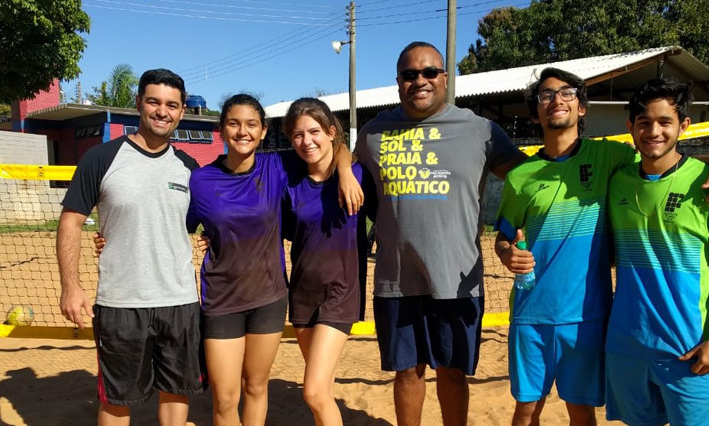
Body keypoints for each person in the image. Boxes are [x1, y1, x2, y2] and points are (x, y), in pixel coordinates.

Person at [494, 68, 709, 426]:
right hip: (534, 315)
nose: (556, 100)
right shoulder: (521, 176)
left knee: (581, 409)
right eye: (546, 95)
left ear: (581, 108)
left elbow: (665, 159)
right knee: (527, 408)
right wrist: (505, 253)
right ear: (535, 113)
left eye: (566, 93)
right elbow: (503, 236)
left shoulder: (612, 157)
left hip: (589, 317)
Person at [354, 41, 527, 426]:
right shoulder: (372, 133)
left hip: (458, 279)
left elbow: (530, 184)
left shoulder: (481, 130)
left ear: (445, 77)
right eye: (409, 74)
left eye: (429, 72)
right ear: (398, 82)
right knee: (407, 371)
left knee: (451, 371)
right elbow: (338, 169)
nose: (420, 80)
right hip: (397, 279)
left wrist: (505, 235)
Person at [185, 94, 361, 426]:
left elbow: (331, 144)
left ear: (263, 131)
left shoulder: (277, 165)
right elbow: (179, 226)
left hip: (269, 297)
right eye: (234, 124)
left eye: (251, 124)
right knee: (224, 398)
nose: (242, 132)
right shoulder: (202, 180)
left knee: (256, 387)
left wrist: (346, 171)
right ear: (222, 130)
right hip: (221, 299)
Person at [56, 69, 203, 426]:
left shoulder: (189, 167)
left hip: (179, 300)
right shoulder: (101, 158)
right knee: (117, 399)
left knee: (175, 391)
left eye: (172, 105)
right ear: (138, 103)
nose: (162, 111)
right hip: (121, 302)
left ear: (182, 111)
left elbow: (200, 224)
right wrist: (71, 287)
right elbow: (71, 221)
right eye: (153, 101)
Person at [605, 79, 709, 426]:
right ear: (630, 127)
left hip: (689, 350)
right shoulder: (617, 182)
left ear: (683, 125)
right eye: (644, 122)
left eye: (664, 122)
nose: (653, 131)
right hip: (627, 348)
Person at [280, 97, 375, 425]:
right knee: (322, 389)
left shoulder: (357, 175)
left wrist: (345, 167)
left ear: (331, 132)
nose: (306, 141)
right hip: (304, 293)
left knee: (313, 391)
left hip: (341, 292)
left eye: (314, 131)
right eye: (297, 135)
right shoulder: (291, 184)